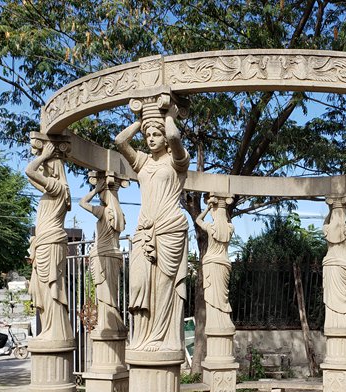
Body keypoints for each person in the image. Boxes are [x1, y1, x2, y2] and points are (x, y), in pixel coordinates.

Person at [114, 99, 190, 352]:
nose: (151, 138)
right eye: (148, 135)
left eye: (156, 134)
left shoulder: (178, 161)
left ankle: (161, 336)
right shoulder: (143, 162)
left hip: (169, 228)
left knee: (163, 285)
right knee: (138, 285)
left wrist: (168, 116)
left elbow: (175, 137)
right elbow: (119, 142)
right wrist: (140, 120)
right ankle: (143, 336)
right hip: (144, 230)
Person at [25, 141, 72, 342]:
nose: (43, 168)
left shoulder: (58, 188)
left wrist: (43, 155)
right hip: (44, 243)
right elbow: (31, 178)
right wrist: (41, 155)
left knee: (50, 286)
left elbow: (29, 171)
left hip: (50, 243)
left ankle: (56, 330)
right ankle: (48, 328)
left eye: (47, 166)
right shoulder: (50, 190)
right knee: (41, 289)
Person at [79, 172, 126, 334]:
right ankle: (112, 321)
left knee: (103, 292)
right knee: (112, 292)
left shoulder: (103, 211)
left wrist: (94, 189)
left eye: (101, 195)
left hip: (101, 255)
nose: (99, 198)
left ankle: (107, 323)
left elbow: (82, 203)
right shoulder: (120, 215)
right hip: (114, 255)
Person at [195, 195, 234, 332]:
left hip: (211, 263)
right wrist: (225, 208)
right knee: (223, 297)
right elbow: (228, 219)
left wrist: (207, 208)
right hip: (224, 264)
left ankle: (215, 324)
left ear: (214, 213)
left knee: (212, 297)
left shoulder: (211, 227)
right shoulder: (230, 228)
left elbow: (198, 220)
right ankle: (223, 323)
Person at [322, 197, 346, 331]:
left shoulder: (327, 228)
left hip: (330, 263)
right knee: (342, 297)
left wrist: (330, 210)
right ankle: (342, 322)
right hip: (343, 263)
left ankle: (333, 323)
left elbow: (324, 222)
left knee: (332, 298)